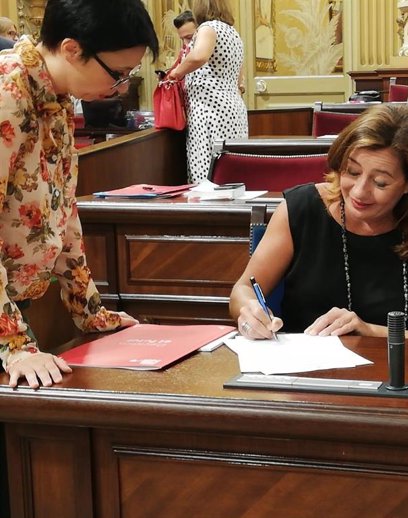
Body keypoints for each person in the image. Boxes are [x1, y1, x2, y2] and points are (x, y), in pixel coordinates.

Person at [0, 0, 159, 389]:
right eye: (118, 74)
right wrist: (14, 343)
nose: (121, 87)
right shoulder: (9, 93)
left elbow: (62, 211)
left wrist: (91, 313)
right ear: (72, 49)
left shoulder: (57, 96)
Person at [229, 104, 408, 341]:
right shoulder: (301, 209)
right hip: (300, 372)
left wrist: (369, 331)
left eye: (380, 183)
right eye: (352, 172)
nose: (359, 192)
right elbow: (243, 289)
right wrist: (249, 311)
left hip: (390, 374)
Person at [169, 0, 248, 184]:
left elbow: (199, 56)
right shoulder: (232, 33)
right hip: (232, 109)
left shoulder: (208, 28)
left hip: (209, 111)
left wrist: (176, 73)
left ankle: (209, 212)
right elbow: (239, 80)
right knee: (230, 174)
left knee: (207, 175)